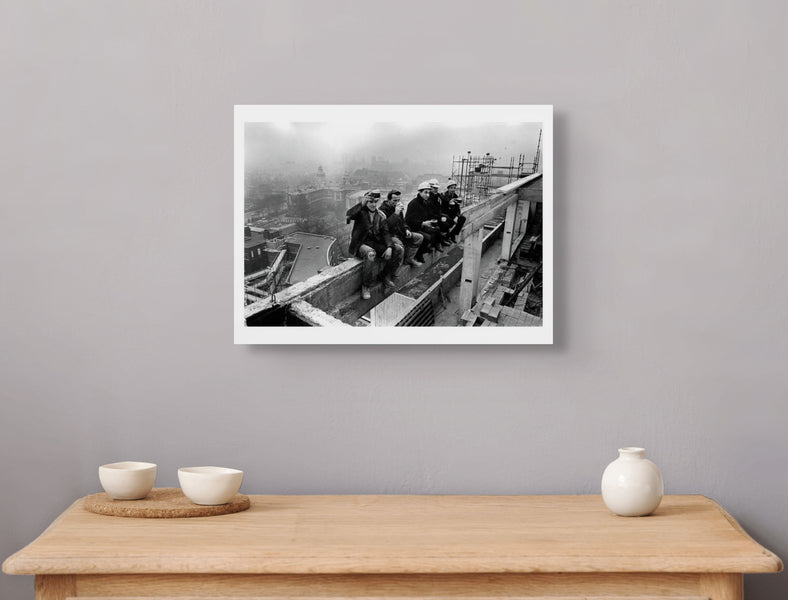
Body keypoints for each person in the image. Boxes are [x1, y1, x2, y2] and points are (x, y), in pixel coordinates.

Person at [346, 190, 403, 300]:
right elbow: (348, 215)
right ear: (366, 202)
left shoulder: (380, 215)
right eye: (370, 202)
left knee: (397, 250)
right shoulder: (360, 212)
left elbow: (385, 233)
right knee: (370, 254)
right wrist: (361, 204)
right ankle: (366, 286)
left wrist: (390, 247)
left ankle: (384, 275)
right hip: (360, 244)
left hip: (373, 243)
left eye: (375, 202)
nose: (373, 204)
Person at [381, 190, 424, 267]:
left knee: (419, 237)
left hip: (400, 233)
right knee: (400, 247)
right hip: (390, 236)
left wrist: (407, 229)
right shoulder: (383, 211)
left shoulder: (397, 208)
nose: (397, 202)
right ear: (388, 200)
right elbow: (385, 227)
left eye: (398, 200)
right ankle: (396, 270)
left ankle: (409, 259)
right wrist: (396, 214)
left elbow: (403, 222)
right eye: (394, 200)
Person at [405, 181, 443, 256]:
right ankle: (419, 254)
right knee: (427, 237)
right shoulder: (413, 204)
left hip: (423, 225)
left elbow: (429, 214)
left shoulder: (425, 202)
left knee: (436, 230)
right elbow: (408, 220)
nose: (428, 195)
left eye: (428, 193)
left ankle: (431, 246)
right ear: (420, 192)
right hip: (414, 228)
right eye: (425, 192)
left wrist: (431, 220)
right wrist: (422, 223)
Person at [429, 179, 452, 246]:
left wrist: (441, 196)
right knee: (444, 224)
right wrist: (439, 217)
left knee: (448, 220)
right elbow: (431, 211)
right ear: (430, 188)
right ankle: (441, 241)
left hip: (436, 214)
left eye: (437, 188)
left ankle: (445, 238)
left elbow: (445, 202)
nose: (436, 189)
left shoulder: (436, 195)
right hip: (432, 217)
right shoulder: (429, 197)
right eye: (435, 188)